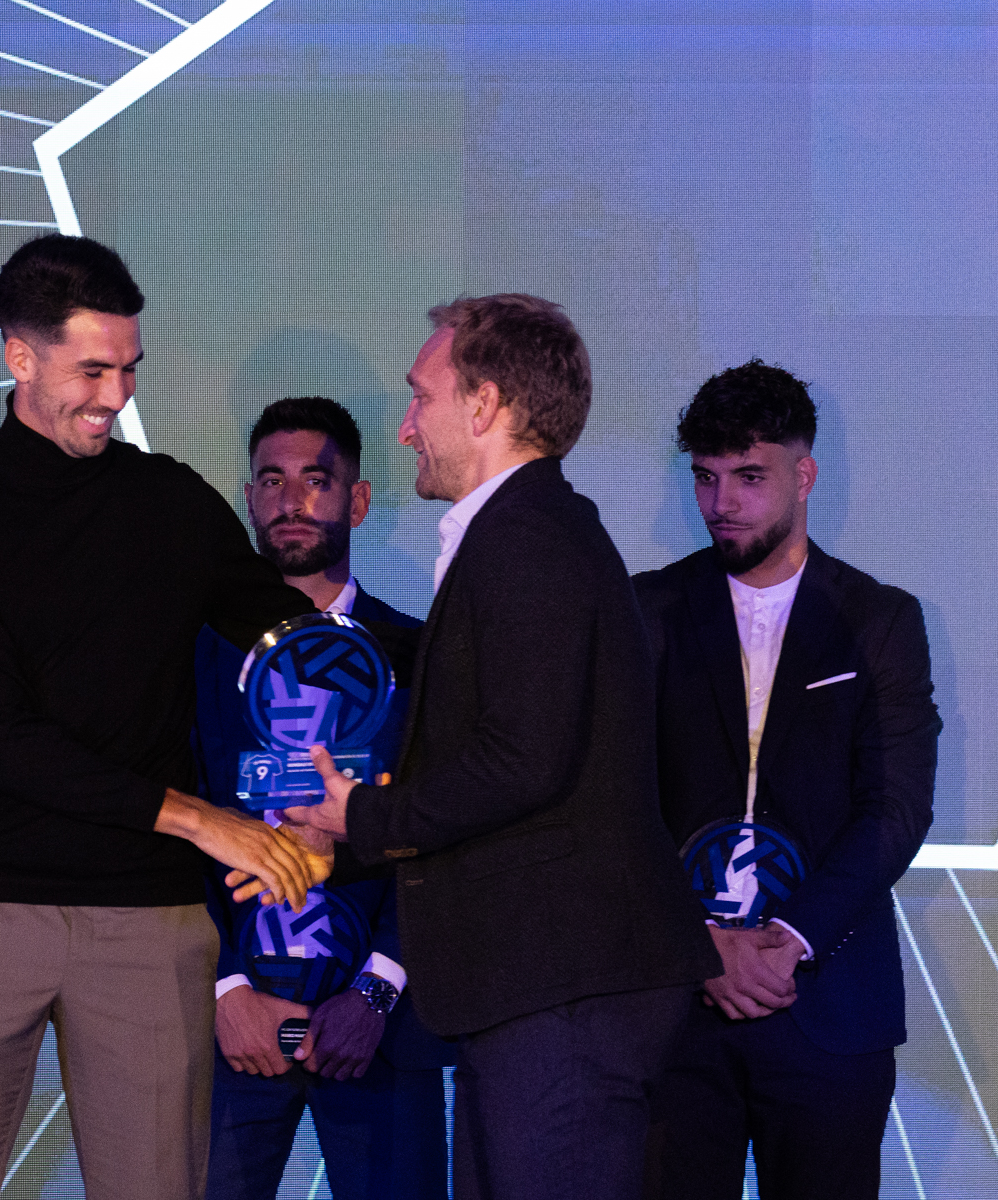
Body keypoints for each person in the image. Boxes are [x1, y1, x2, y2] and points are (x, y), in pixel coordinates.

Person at [0, 234, 328, 1200]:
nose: (116, 395)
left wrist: (335, 790)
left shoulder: (172, 501)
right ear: (20, 357)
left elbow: (299, 646)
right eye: (92, 370)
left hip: (149, 920)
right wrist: (202, 819)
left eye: (129, 368)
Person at [279, 294, 720, 1200]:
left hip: (562, 988)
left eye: (420, 397)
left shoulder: (528, 539)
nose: (405, 428)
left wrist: (360, 815)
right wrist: (337, 839)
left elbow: (522, 759)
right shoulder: (523, 532)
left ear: (483, 406)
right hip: (537, 985)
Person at [634, 360, 938, 1199]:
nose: (721, 502)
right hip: (675, 1008)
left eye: (748, 477)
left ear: (803, 476)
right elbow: (617, 802)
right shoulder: (646, 609)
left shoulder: (880, 620)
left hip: (827, 1003)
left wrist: (790, 940)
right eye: (705, 477)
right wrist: (698, 941)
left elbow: (896, 808)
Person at [194, 396, 454, 1200]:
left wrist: (377, 988)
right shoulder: (196, 651)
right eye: (272, 480)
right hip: (230, 1028)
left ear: (359, 499)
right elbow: (174, 818)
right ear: (249, 498)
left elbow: (445, 830)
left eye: (317, 479)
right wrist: (226, 987)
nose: (292, 500)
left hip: (380, 1026)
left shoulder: (420, 655)